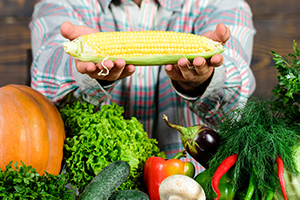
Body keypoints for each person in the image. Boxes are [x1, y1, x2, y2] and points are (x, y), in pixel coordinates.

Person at [29, 0, 256, 173]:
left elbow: (237, 105)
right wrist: (85, 72)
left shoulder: (221, 4)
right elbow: (42, 88)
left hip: (192, 187)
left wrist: (204, 81)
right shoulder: (63, 3)